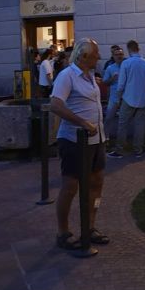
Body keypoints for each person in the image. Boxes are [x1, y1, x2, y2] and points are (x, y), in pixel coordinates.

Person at [49, 38, 109, 249]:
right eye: (95, 54)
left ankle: (90, 226)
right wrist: (82, 122)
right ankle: (63, 232)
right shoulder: (67, 76)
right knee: (70, 186)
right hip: (74, 140)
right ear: (84, 56)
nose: (99, 57)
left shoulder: (89, 75)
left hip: (97, 140)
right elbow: (55, 105)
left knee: (97, 182)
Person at [113, 40, 145, 158]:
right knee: (139, 125)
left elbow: (121, 84)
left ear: (129, 49)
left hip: (128, 98)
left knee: (122, 124)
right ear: (138, 48)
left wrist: (118, 98)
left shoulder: (126, 63)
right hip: (142, 98)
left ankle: (120, 149)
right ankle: (138, 149)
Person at [101, 45, 124, 149]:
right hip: (114, 97)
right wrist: (112, 79)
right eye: (117, 54)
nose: (119, 56)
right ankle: (105, 138)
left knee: (123, 120)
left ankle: (121, 141)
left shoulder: (127, 66)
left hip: (125, 97)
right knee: (109, 117)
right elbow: (105, 82)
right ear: (113, 56)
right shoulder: (110, 68)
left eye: (121, 54)